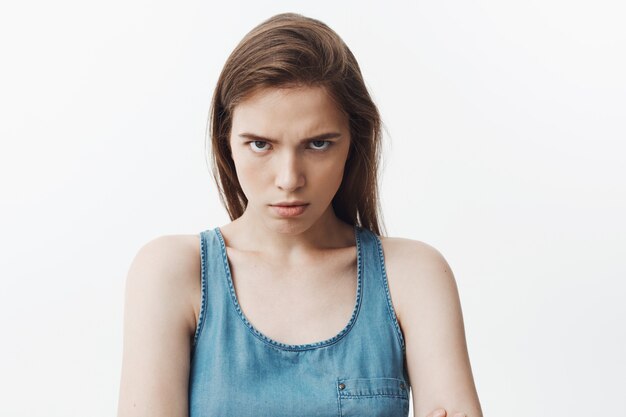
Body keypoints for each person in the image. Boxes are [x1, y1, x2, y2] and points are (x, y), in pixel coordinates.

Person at [116, 12, 483, 417]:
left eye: (318, 144)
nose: (289, 179)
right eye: (260, 144)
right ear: (227, 141)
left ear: (353, 143)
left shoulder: (412, 275)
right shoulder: (173, 272)